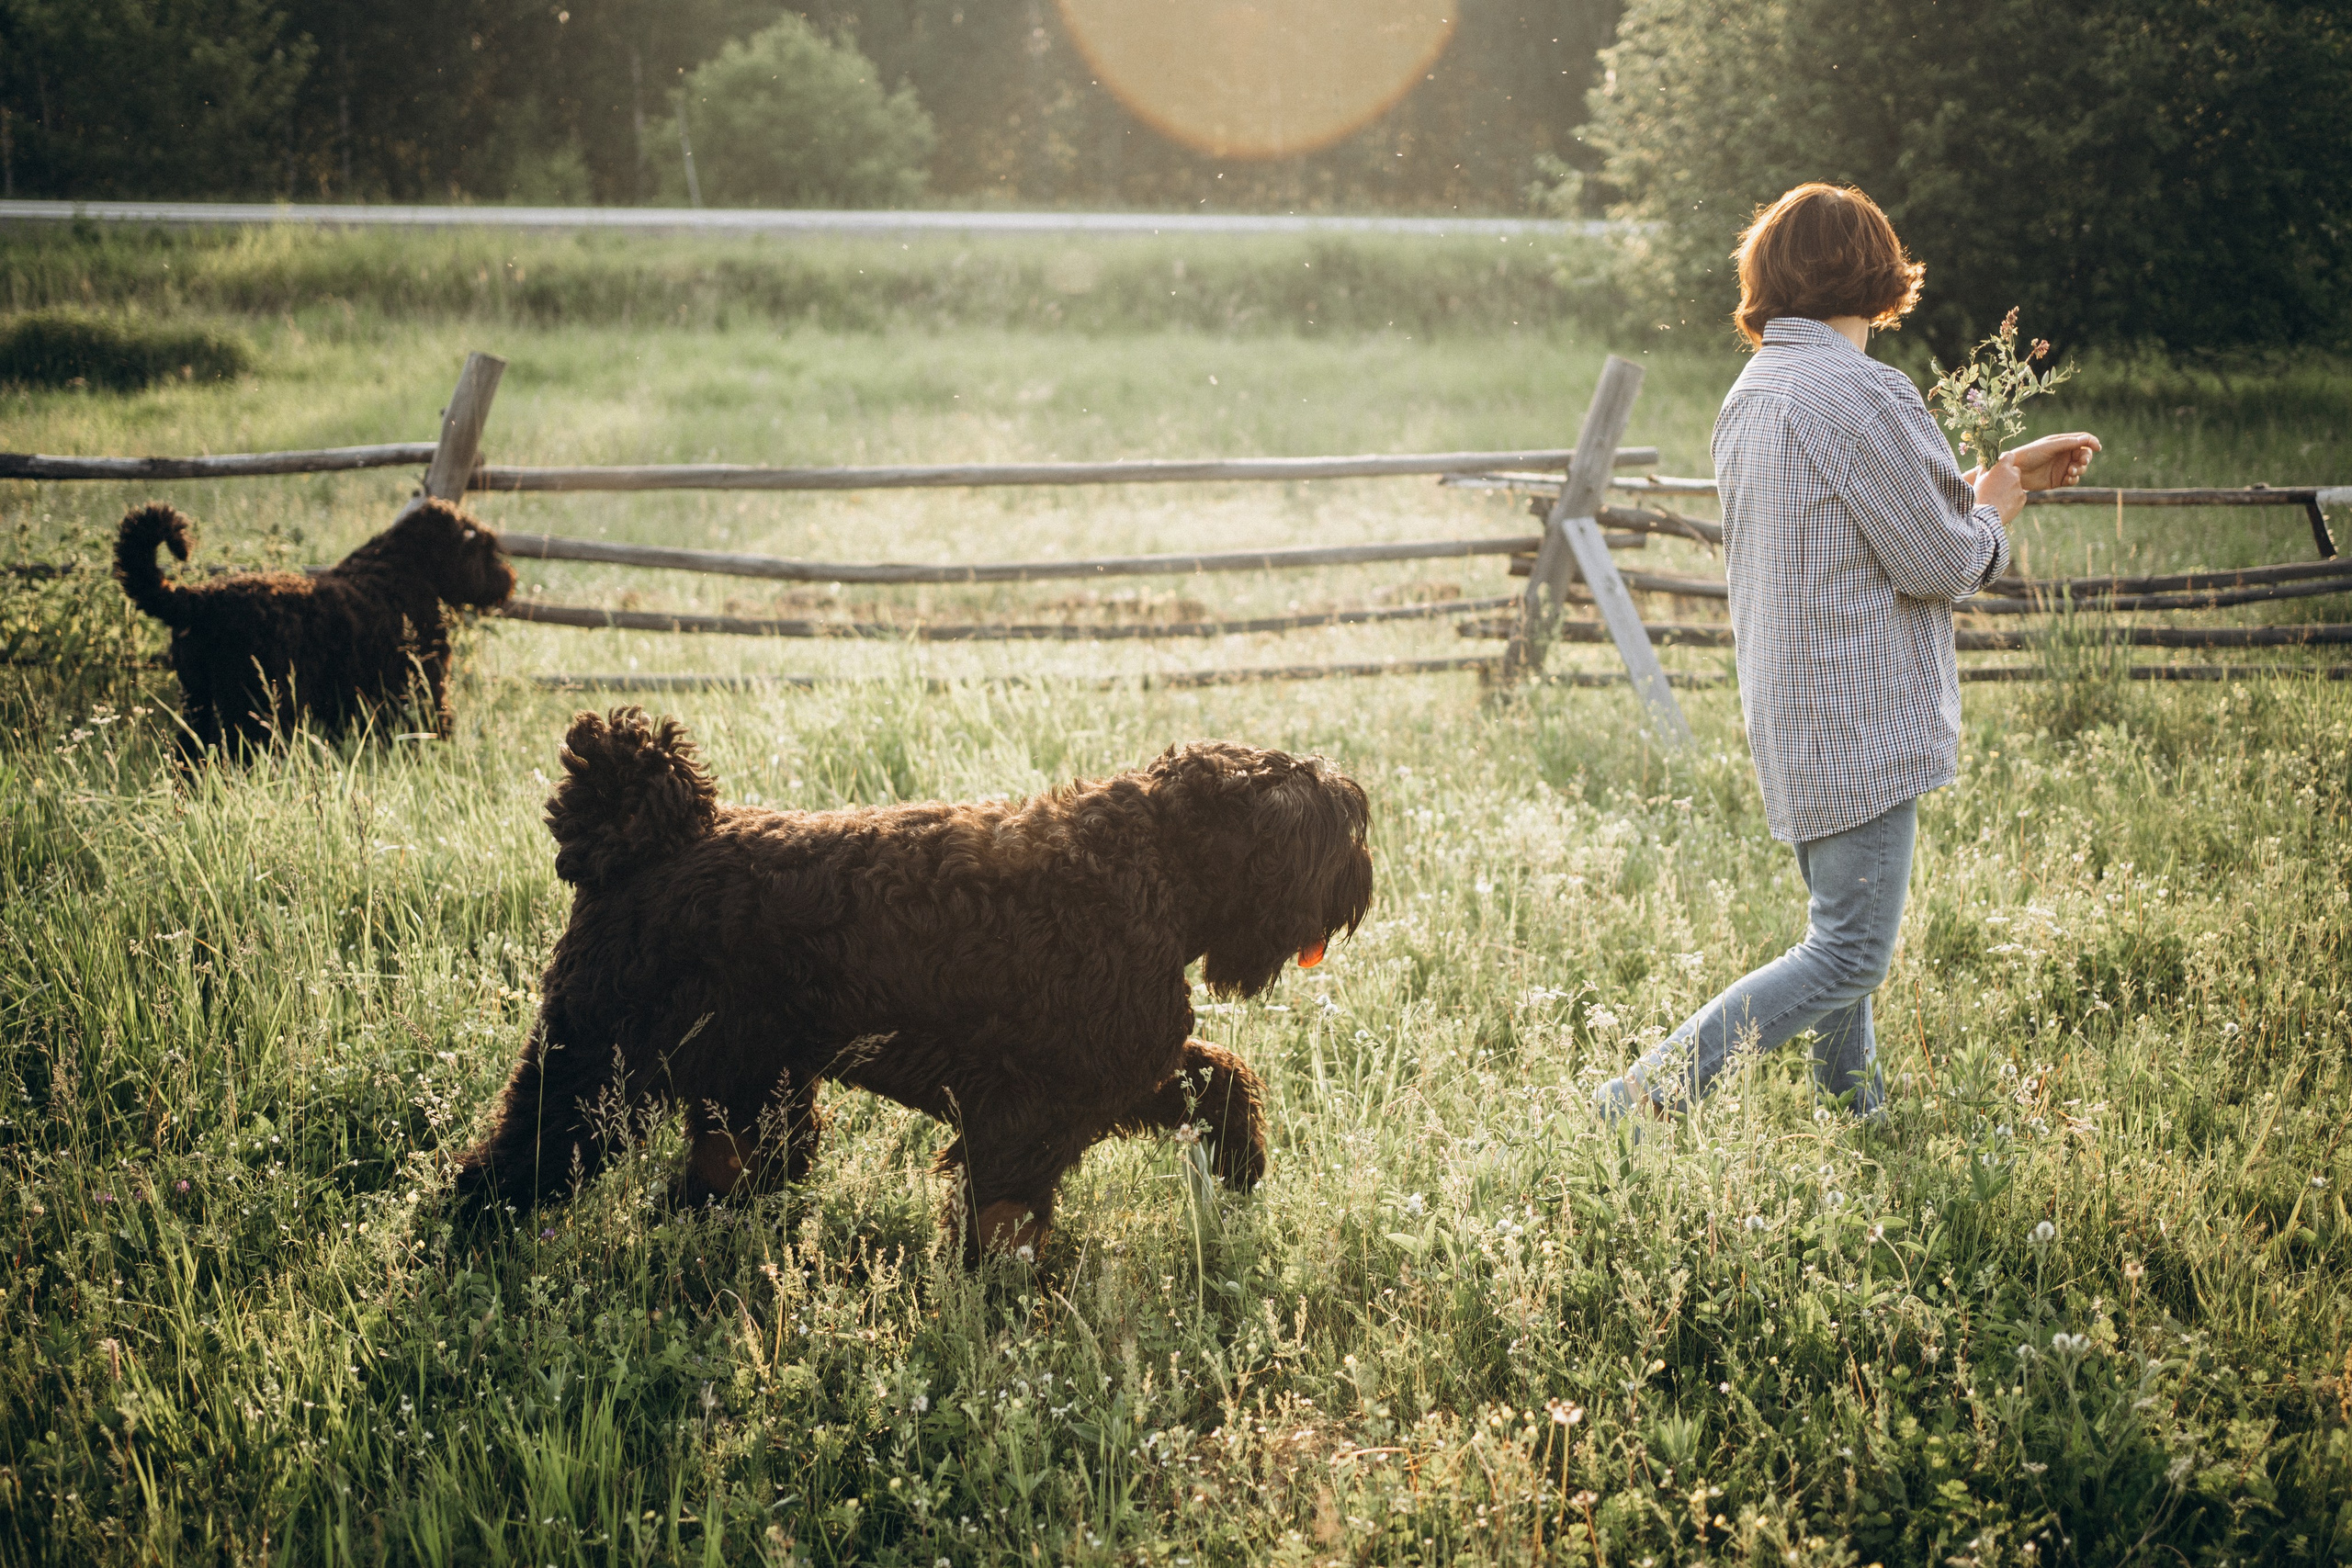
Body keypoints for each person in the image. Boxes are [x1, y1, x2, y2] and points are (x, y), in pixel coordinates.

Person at [1598, 183, 2099, 1126]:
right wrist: (1992, 514)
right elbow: (1940, 562)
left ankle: (1854, 1109)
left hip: (1793, 707)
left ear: (1767, 276)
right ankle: (1636, 1102)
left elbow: (1856, 518)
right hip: (1861, 718)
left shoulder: (1753, 393)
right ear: (1879, 274)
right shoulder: (1864, 391)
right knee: (1848, 953)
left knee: (1839, 930)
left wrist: (1988, 481)